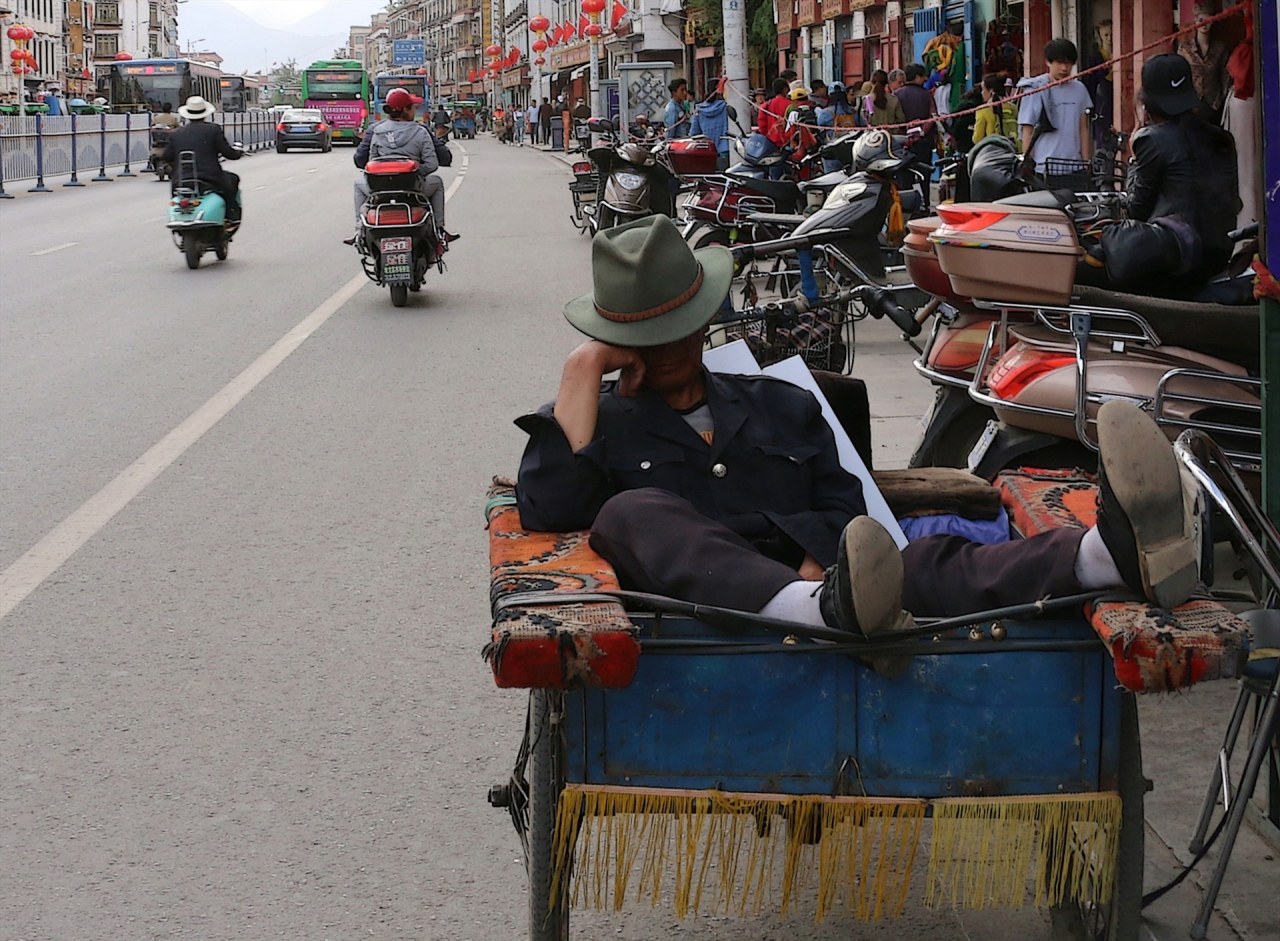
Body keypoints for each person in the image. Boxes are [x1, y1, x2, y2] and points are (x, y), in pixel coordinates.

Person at [514, 215, 1198, 645]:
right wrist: (582, 370)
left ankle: (1107, 555)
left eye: (673, 330)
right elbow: (552, 507)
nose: (664, 348)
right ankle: (811, 609)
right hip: (706, 610)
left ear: (700, 318)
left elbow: (846, 503)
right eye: (641, 337)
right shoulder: (595, 423)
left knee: (931, 560)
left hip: (841, 584)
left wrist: (822, 563)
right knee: (627, 509)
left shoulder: (781, 402)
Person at [1080, 54, 1238, 299]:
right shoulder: (1220, 137)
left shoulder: (1151, 139)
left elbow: (1135, 209)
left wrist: (1133, 155)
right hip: (1216, 257)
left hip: (1173, 261)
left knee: (1083, 272)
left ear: (1147, 103)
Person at [348, 88, 457, 245]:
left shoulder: (377, 131)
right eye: (412, 106)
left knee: (358, 184)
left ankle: (359, 231)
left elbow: (370, 164)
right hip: (413, 190)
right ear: (406, 109)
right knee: (437, 182)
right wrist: (415, 172)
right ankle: (439, 230)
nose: (414, 110)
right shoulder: (421, 132)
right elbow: (432, 164)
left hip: (379, 190)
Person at [162, 95, 243, 223]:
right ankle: (230, 216)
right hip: (210, 178)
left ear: (187, 114)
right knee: (232, 180)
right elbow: (228, 153)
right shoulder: (213, 130)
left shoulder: (176, 134)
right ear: (205, 113)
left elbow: (166, 156)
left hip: (181, 179)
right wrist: (238, 153)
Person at [1016, 38, 1092, 175]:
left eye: (1068, 63)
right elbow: (1027, 128)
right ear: (1048, 62)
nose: (1064, 68)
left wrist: (1086, 163)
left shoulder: (1080, 89)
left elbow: (1083, 128)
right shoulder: (1035, 88)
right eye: (1059, 62)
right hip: (1044, 167)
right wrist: (1028, 163)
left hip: (1075, 167)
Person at [1177, 1, 1229, 123]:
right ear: (1195, 21)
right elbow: (1180, 76)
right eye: (1201, 20)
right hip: (1191, 103)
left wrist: (1222, 99)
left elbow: (1226, 77)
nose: (1204, 24)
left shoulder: (1220, 49)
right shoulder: (1185, 49)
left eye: (1208, 20)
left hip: (1214, 105)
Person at [895, 64, 936, 208]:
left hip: (903, 144)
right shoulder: (927, 95)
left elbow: (897, 121)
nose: (925, 79)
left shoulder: (897, 94)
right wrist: (922, 132)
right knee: (924, 174)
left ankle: (908, 205)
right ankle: (925, 203)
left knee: (905, 176)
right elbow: (932, 117)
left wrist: (906, 135)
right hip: (924, 142)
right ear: (917, 77)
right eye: (923, 76)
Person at [971, 72, 1020, 149]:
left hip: (993, 152)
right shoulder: (1013, 107)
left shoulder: (982, 110)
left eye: (983, 90)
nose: (981, 93)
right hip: (1013, 150)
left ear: (991, 91)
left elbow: (977, 139)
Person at [689, 88, 731, 170]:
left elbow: (694, 134)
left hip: (707, 152)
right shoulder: (725, 107)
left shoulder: (698, 111)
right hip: (725, 150)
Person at [758, 77, 791, 143]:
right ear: (785, 89)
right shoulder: (791, 105)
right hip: (787, 142)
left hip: (770, 141)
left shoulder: (766, 105)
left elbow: (762, 125)